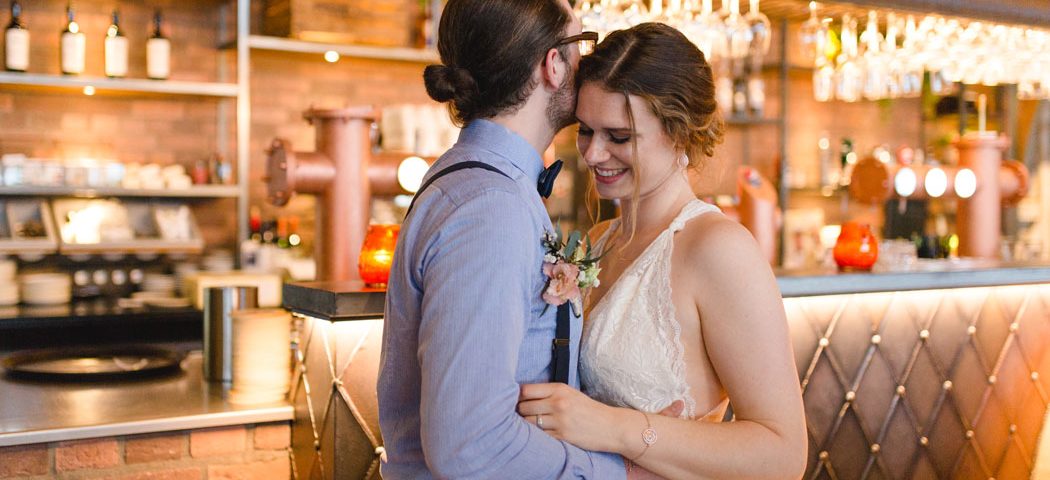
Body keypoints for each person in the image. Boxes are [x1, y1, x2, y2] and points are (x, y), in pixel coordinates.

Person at [517, 23, 808, 479]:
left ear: (680, 133)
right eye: (586, 131)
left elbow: (783, 456)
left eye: (619, 136)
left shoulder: (718, 249)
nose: (593, 154)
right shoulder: (596, 241)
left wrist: (616, 428)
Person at [377, 0, 632, 477]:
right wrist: (615, 474)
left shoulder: (480, 185)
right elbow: (470, 443)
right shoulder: (489, 208)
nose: (586, 63)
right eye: (581, 45)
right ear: (553, 65)